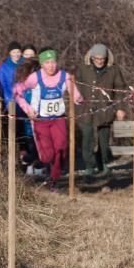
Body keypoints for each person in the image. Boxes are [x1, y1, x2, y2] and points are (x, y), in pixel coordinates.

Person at [14, 47, 83, 192]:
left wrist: (78, 98)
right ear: (42, 64)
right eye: (47, 62)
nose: (51, 65)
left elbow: (75, 94)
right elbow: (17, 92)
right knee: (47, 156)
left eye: (53, 62)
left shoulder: (65, 76)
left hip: (58, 119)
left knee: (61, 149)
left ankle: (53, 180)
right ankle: (35, 159)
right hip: (40, 121)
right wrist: (28, 109)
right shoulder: (34, 78)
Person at [75, 43, 128, 176]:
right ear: (92, 57)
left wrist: (120, 108)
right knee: (87, 138)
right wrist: (76, 102)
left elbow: (120, 89)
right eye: (96, 59)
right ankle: (89, 165)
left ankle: (103, 162)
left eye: (102, 59)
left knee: (103, 140)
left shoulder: (113, 70)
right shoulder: (83, 68)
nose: (99, 61)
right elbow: (75, 86)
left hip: (105, 109)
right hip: (85, 109)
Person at [14, 58, 41, 173]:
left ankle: (38, 165)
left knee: (39, 145)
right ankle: (29, 164)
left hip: (39, 120)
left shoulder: (40, 85)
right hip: (25, 121)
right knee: (30, 144)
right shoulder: (21, 87)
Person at [0, 41, 24, 110]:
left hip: (25, 99)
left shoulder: (25, 64)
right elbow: (3, 85)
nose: (16, 54)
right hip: (11, 100)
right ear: (9, 53)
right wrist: (9, 98)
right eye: (14, 52)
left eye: (18, 52)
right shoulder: (4, 67)